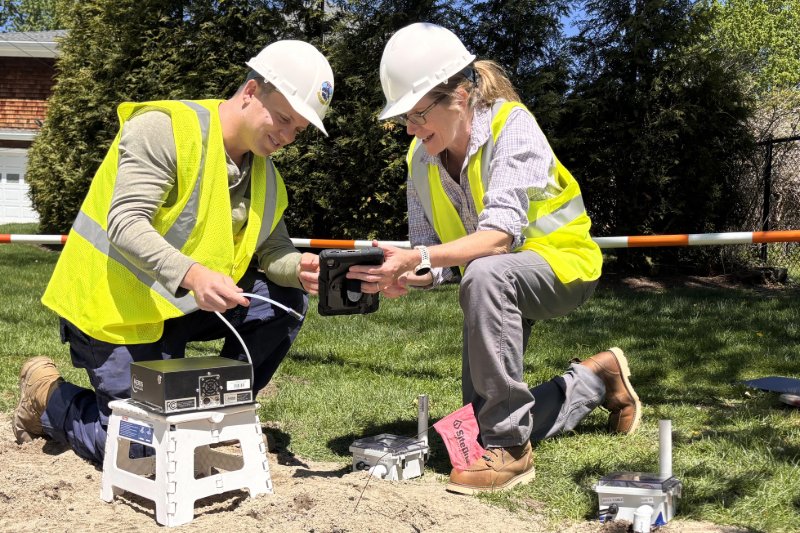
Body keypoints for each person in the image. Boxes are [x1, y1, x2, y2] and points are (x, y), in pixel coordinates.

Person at [348, 23, 641, 495]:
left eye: (417, 113)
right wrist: (404, 272)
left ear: (459, 96)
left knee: (485, 273)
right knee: (477, 427)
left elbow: (499, 238)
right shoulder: (419, 158)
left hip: (563, 267)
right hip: (493, 282)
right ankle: (594, 380)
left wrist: (417, 255)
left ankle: (512, 450)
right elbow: (437, 262)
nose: (408, 127)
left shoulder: (512, 123)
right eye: (402, 117)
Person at [12, 40, 335, 463]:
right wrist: (195, 275)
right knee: (139, 454)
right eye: (285, 118)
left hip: (177, 307)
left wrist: (302, 267)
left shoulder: (266, 177)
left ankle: (213, 418)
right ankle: (47, 396)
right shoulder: (167, 129)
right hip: (114, 311)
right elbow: (126, 222)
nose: (289, 136)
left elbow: (274, 251)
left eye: (300, 129)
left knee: (285, 303)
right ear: (252, 92)